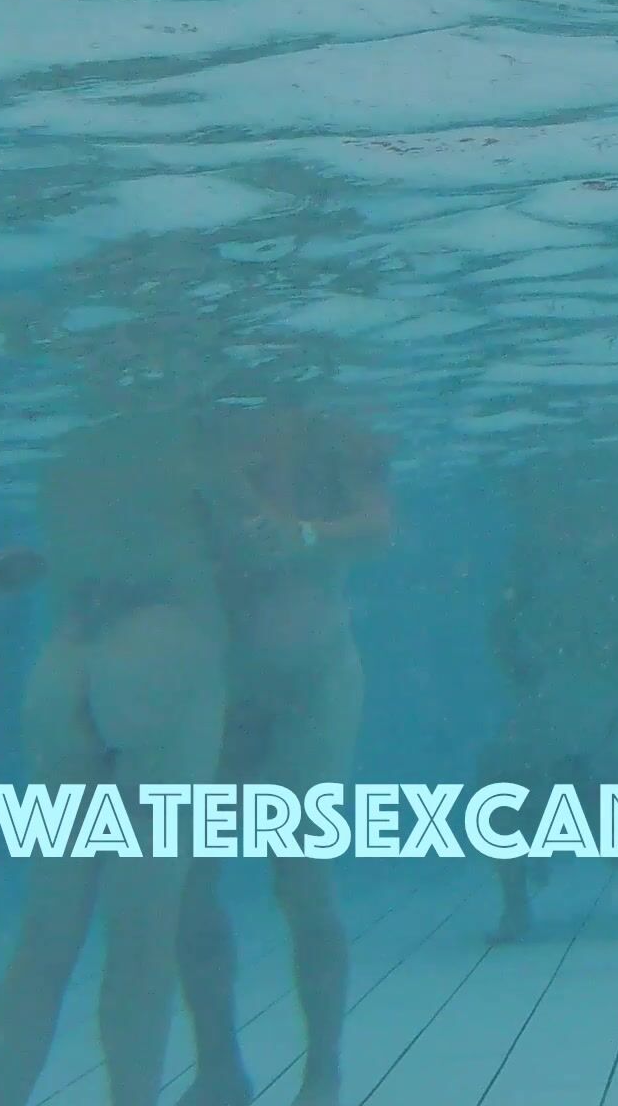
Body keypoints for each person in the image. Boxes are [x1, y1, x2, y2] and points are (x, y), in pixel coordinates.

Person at [0, 395, 265, 1106]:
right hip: (167, 654)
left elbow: (100, 552)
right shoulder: (197, 437)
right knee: (141, 937)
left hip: (63, 667)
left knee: (46, 935)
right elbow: (255, 552)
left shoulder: (69, 443)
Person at [179, 403, 393, 1106]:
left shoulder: (333, 429)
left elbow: (376, 528)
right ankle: (219, 1068)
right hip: (216, 687)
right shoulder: (196, 429)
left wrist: (301, 532)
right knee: (189, 884)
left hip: (314, 680)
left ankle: (322, 1072)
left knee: (301, 876)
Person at [478, 426, 618, 941]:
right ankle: (529, 898)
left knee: (587, 784)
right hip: (573, 687)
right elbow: (505, 622)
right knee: (516, 781)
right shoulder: (545, 546)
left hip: (611, 686)